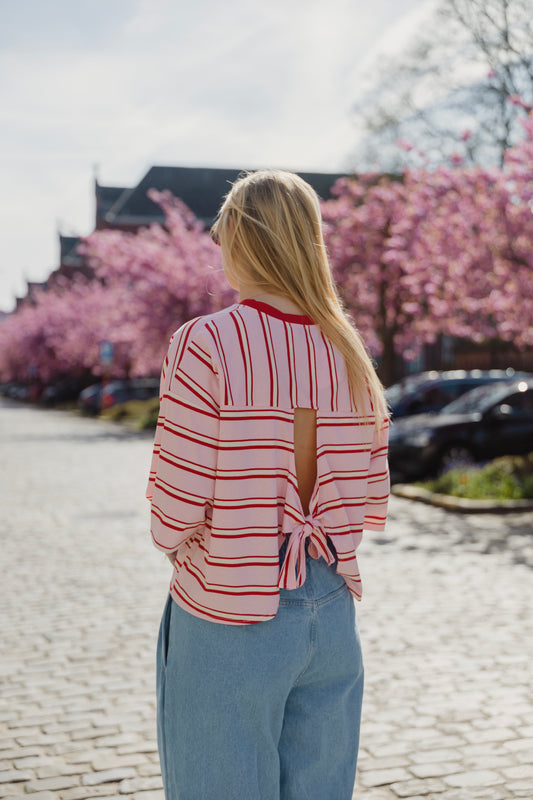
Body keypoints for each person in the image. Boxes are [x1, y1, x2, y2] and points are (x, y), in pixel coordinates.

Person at [146, 169, 390, 800]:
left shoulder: (207, 342)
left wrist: (175, 542)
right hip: (330, 606)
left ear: (243, 238)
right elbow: (369, 495)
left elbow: (176, 497)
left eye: (221, 228)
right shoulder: (349, 349)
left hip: (229, 604)